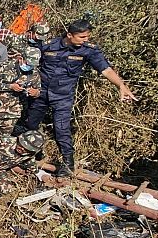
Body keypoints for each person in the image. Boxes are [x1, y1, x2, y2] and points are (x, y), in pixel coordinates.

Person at [20, 19, 137, 176]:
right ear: (69, 35)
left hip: (63, 97)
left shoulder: (88, 50)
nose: (85, 40)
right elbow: (30, 63)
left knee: (61, 129)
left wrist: (121, 86)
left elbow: (106, 69)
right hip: (40, 94)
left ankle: (68, 164)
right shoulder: (48, 45)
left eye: (87, 36)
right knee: (30, 124)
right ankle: (30, 155)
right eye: (82, 37)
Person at [0, 37, 41, 142]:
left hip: (13, 113)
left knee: (3, 141)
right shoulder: (5, 66)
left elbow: (37, 90)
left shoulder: (34, 73)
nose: (29, 67)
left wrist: (36, 93)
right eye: (28, 64)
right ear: (21, 58)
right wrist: (10, 87)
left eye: (32, 65)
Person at [0, 131, 45, 208]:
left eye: (26, 149)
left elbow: (31, 164)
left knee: (6, 189)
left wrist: (39, 173)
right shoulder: (5, 141)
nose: (22, 149)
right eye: (21, 144)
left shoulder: (28, 155)